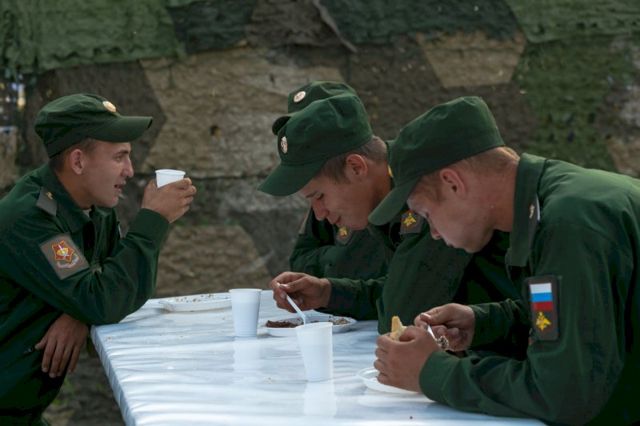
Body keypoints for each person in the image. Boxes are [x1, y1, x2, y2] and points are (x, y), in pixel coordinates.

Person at [369, 95, 639, 424]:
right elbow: (585, 316)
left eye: (426, 214)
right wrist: (485, 322)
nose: (434, 234)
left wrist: (432, 372)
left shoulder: (569, 224)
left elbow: (563, 394)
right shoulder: (554, 202)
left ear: (453, 183)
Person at [0, 93, 197, 424]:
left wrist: (78, 313)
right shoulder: (31, 218)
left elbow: (106, 283)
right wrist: (153, 221)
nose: (130, 171)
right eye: (119, 157)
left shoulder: (93, 208)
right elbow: (102, 298)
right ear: (78, 162)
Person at [259, 89, 519, 335]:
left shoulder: (426, 186)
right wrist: (329, 293)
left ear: (356, 167)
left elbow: (399, 316)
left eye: (319, 196)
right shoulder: (386, 189)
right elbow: (399, 288)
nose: (318, 214)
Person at [286, 82, 388, 281]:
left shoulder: (370, 181)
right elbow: (301, 262)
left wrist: (344, 263)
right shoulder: (326, 186)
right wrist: (342, 259)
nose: (320, 212)